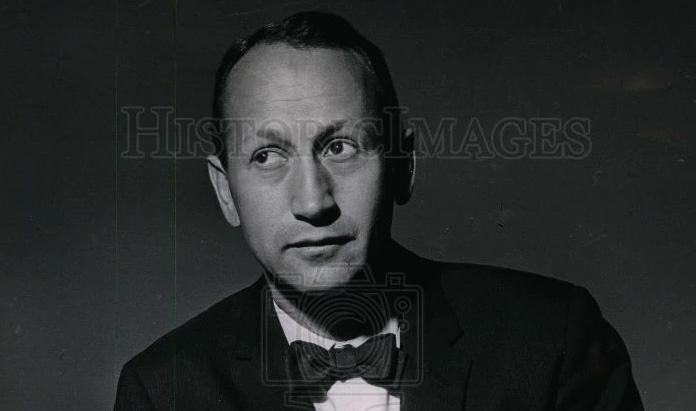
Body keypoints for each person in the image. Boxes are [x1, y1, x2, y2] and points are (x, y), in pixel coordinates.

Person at [114, 11, 643, 411]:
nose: (313, 202)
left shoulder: (552, 339)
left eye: (340, 147)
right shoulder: (162, 392)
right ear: (225, 191)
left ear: (402, 166)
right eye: (267, 156)